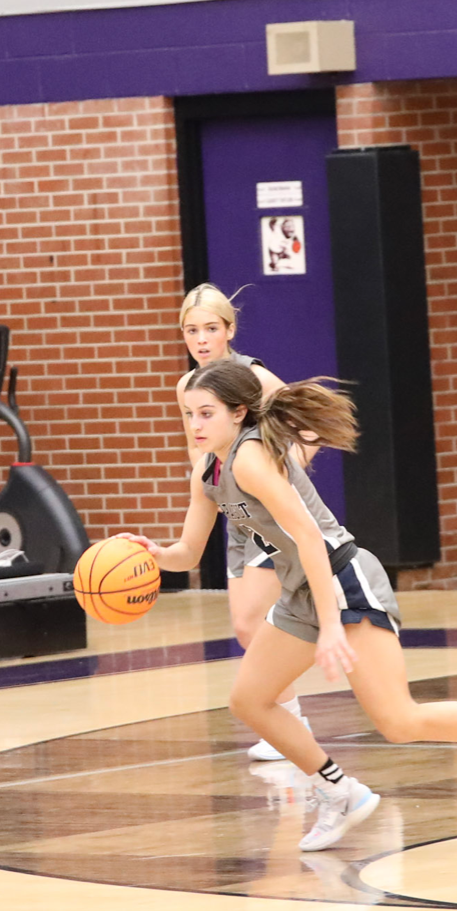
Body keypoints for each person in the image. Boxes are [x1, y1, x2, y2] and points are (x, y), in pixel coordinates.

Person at [126, 359, 457, 852]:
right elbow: (189, 552)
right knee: (250, 700)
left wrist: (331, 627)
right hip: (301, 590)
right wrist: (155, 554)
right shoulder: (207, 472)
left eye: (206, 413)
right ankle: (340, 791)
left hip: (344, 579)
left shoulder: (250, 458)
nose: (195, 424)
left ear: (238, 413)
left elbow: (309, 537)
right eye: (188, 414)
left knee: (398, 721)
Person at [177, 283, 307, 761]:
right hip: (234, 512)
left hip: (267, 512)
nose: (201, 339)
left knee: (256, 620)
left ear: (229, 330)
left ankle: (288, 721)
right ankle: (288, 718)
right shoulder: (187, 386)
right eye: (192, 330)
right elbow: (199, 453)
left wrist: (287, 470)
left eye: (210, 328)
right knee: (245, 627)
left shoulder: (253, 376)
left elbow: (306, 424)